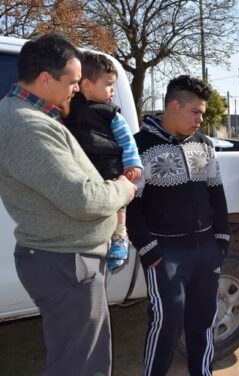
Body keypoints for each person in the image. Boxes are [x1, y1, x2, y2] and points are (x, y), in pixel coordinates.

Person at [0, 33, 136, 376]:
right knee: (81, 367)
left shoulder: (29, 117)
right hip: (65, 261)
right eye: (73, 81)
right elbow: (82, 199)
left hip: (64, 258)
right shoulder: (27, 126)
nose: (77, 88)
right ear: (45, 79)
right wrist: (122, 188)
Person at [126, 75, 229, 376]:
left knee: (203, 320)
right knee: (167, 321)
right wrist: (148, 248)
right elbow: (131, 203)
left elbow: (216, 190)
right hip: (166, 253)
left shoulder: (204, 144)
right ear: (173, 105)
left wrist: (220, 239)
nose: (201, 119)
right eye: (195, 112)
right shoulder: (138, 146)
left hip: (206, 250)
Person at [64, 52, 143, 271]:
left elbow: (127, 141)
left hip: (109, 163)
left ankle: (119, 235)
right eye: (109, 85)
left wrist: (133, 164)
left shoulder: (111, 114)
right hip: (81, 165)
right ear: (87, 85)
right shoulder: (67, 108)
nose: (112, 91)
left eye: (114, 85)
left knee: (118, 198)